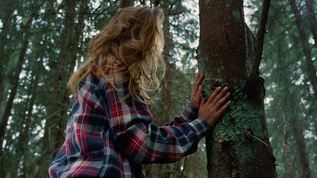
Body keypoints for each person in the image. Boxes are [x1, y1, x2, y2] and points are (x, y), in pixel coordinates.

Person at [48, 6, 231, 178]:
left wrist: (192, 112)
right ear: (140, 37)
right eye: (155, 35)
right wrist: (201, 124)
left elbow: (135, 135)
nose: (157, 47)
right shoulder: (113, 69)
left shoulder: (98, 71)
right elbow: (140, 144)